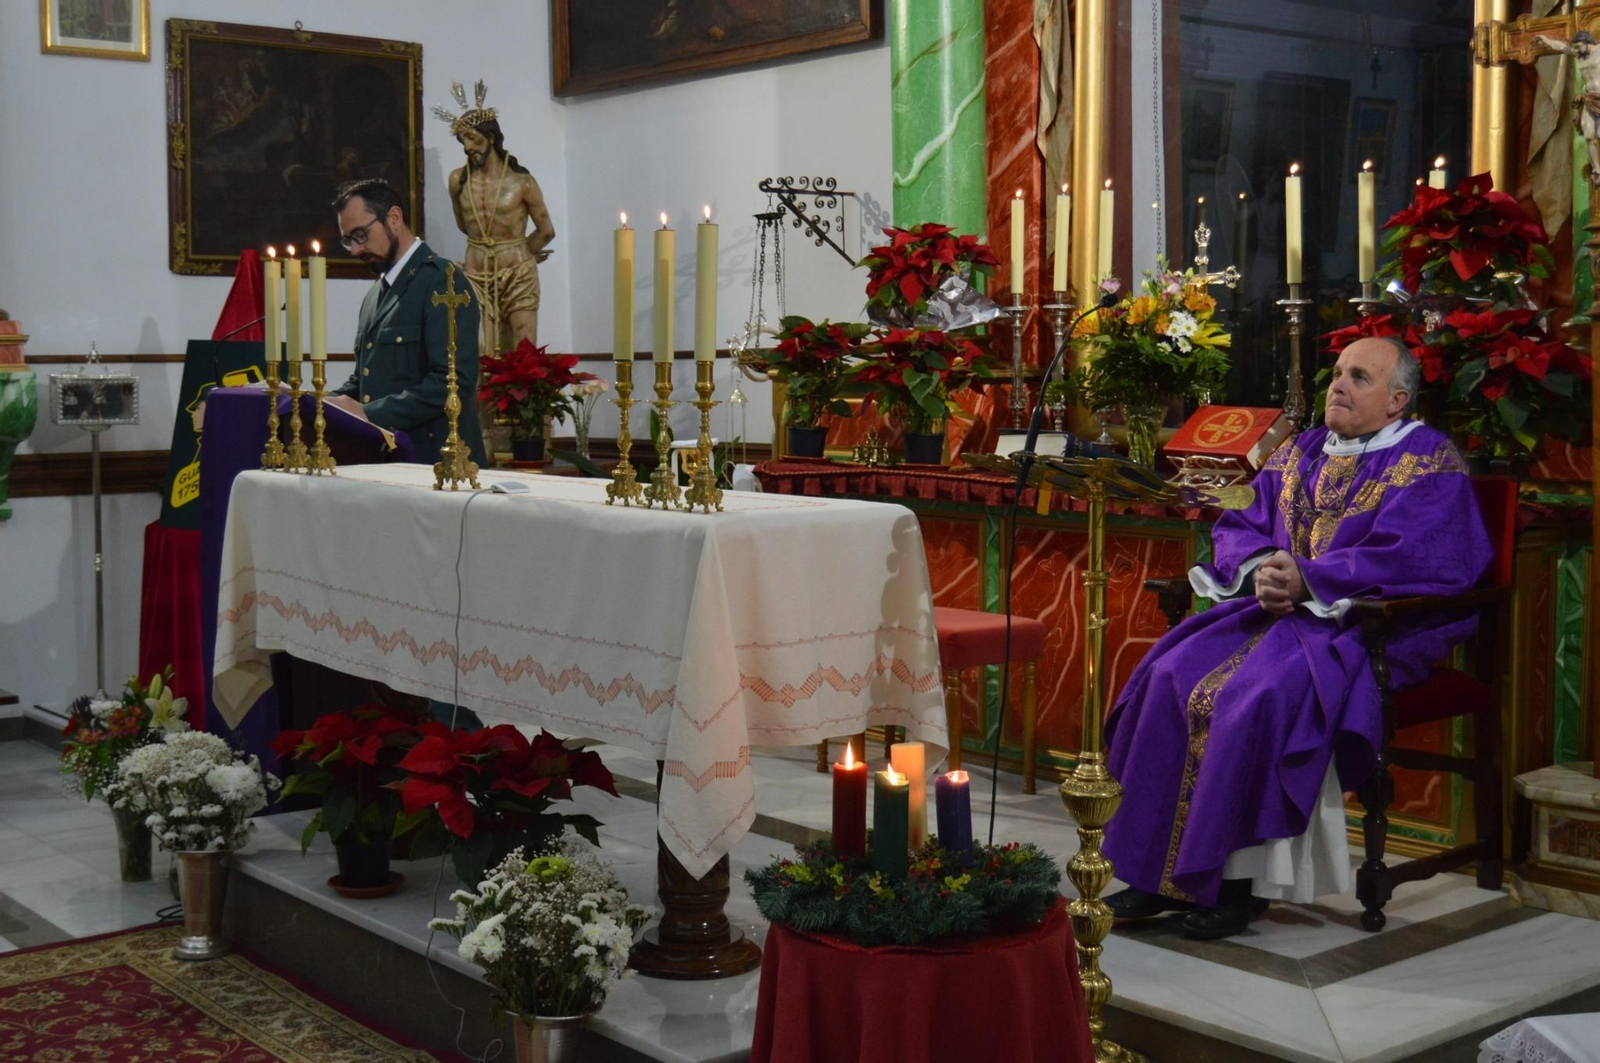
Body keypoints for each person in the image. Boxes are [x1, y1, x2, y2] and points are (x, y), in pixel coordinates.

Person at [1102, 336, 1493, 939]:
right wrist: (1262, 568)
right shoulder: (1301, 449)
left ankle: (1237, 884)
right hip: (1275, 614)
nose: (1338, 385)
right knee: (1166, 675)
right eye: (1337, 373)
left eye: (1358, 377)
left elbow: (1420, 558)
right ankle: (1156, 873)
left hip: (1363, 628)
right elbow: (1241, 519)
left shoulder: (1427, 461)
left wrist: (1310, 577)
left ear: (1397, 400)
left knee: (1249, 697)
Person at [325, 177, 487, 468]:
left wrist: (369, 414)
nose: (355, 250)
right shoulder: (377, 292)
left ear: (394, 218)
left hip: (439, 462)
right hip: (390, 458)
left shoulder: (443, 280)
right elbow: (366, 382)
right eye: (348, 239)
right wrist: (321, 402)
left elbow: (452, 384)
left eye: (360, 234)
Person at [437, 83, 554, 353]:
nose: (467, 147)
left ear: (490, 137)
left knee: (522, 347)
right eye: (463, 141)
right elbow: (464, 226)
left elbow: (546, 229)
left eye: (473, 138)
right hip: (477, 274)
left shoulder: (521, 182)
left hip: (519, 274)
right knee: (479, 349)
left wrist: (523, 253)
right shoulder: (458, 180)